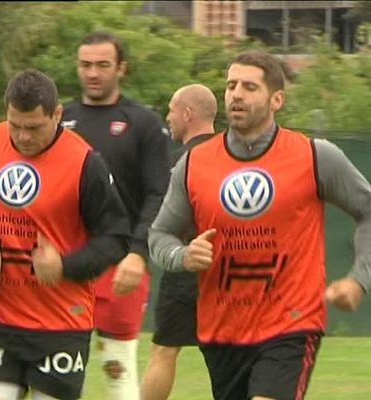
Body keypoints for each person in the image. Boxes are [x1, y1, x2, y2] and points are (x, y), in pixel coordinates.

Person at [149, 49, 371, 400]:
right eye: (231, 85)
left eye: (250, 87)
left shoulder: (315, 156)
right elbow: (159, 235)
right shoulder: (194, 163)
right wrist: (183, 256)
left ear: (276, 99)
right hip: (222, 329)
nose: (236, 94)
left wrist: (358, 279)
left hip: (291, 322)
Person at [0, 69, 130, 400]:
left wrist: (65, 265)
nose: (23, 137)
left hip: (61, 324)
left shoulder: (83, 162)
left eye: (34, 127)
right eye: (15, 125)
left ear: (57, 115)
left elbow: (116, 238)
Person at [61, 31, 171, 400]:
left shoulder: (143, 123)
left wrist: (138, 253)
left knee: (116, 367)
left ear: (121, 69)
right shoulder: (59, 120)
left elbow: (159, 192)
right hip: (66, 262)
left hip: (121, 264)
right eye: (85, 65)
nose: (93, 73)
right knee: (52, 368)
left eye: (102, 65)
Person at [141, 84, 217, 400]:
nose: (168, 117)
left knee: (164, 352)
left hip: (184, 267)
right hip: (227, 270)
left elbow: (162, 221)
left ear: (187, 114)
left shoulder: (177, 163)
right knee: (230, 356)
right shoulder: (233, 154)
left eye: (172, 110)